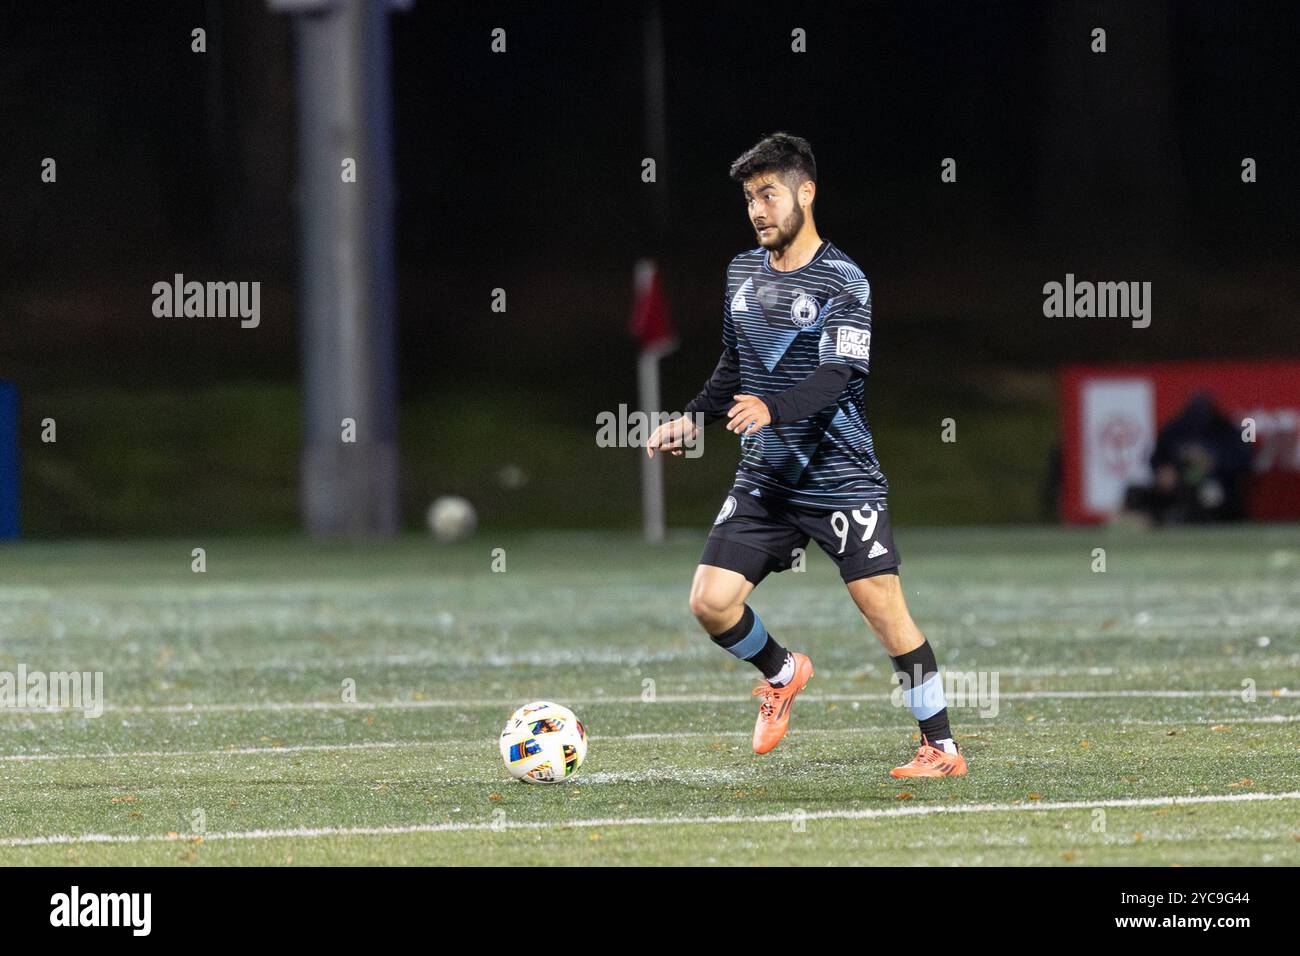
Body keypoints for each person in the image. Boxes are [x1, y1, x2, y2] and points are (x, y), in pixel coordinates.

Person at [646, 133, 967, 777]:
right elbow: (734, 367)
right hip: (766, 476)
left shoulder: (844, 280)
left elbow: (838, 377)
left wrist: (771, 408)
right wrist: (693, 418)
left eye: (768, 194)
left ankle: (942, 748)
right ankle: (783, 671)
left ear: (806, 192)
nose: (758, 210)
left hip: (839, 477)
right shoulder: (741, 272)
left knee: (885, 611)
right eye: (748, 198)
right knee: (710, 602)